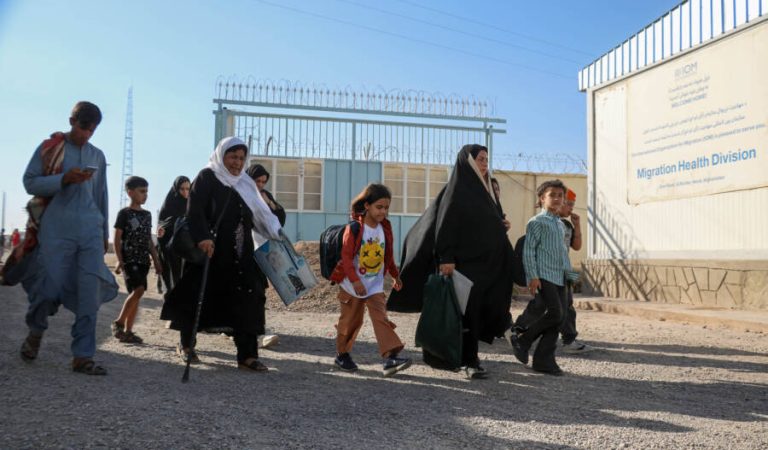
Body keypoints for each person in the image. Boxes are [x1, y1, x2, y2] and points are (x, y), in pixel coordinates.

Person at [388, 144, 514, 380]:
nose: (485, 164)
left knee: (481, 312)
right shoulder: (458, 190)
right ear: (467, 162)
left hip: (487, 265)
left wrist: (501, 225)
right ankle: (469, 361)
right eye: (480, 159)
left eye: (487, 159)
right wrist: (446, 257)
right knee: (467, 315)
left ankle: (471, 356)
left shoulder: (485, 190)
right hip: (464, 265)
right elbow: (446, 224)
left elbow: (488, 221)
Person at [160, 136, 281, 372]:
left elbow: (262, 217)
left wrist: (275, 222)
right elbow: (194, 209)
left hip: (241, 253)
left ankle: (246, 355)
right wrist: (203, 236)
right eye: (232, 157)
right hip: (211, 251)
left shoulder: (246, 184)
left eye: (241, 158)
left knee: (249, 297)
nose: (237, 162)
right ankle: (186, 345)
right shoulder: (207, 176)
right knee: (198, 296)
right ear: (221, 155)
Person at [19, 101, 118, 375]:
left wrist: (103, 233)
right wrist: (63, 179)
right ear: (72, 121)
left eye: (92, 129)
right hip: (56, 230)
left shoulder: (97, 156)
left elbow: (102, 196)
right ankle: (35, 332)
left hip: (89, 231)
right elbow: (30, 182)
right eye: (83, 127)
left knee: (89, 293)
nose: (86, 134)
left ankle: (82, 356)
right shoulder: (51, 149)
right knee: (48, 288)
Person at [328, 183, 411, 376]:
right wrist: (355, 281)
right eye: (379, 207)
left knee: (381, 319)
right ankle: (342, 354)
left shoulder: (385, 228)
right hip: (351, 286)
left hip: (374, 286)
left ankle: (390, 358)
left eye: (386, 208)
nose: (383, 211)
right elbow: (347, 258)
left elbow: (387, 255)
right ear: (367, 206)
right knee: (351, 322)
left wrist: (395, 274)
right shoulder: (355, 228)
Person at [509, 179, 578, 376]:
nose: (557, 199)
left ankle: (544, 361)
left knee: (560, 318)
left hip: (561, 277)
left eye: (560, 196)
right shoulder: (536, 222)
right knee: (556, 313)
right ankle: (523, 339)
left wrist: (571, 277)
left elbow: (564, 253)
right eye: (552, 195)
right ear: (542, 198)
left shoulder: (560, 224)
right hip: (544, 276)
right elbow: (529, 251)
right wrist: (533, 276)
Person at [514, 188, 592, 353]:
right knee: (541, 305)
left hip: (564, 271)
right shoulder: (542, 223)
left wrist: (577, 225)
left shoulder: (567, 226)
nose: (570, 208)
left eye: (572, 205)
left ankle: (569, 339)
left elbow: (576, 247)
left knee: (566, 305)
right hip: (545, 272)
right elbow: (530, 251)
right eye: (568, 204)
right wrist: (533, 275)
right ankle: (519, 330)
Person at [112, 176, 162, 344]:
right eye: (142, 191)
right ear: (130, 192)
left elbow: (148, 239)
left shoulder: (147, 215)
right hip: (129, 259)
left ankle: (128, 332)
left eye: (146, 191)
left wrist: (155, 260)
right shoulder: (124, 214)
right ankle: (118, 323)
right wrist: (120, 260)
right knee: (139, 290)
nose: (145, 195)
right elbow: (117, 239)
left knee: (136, 295)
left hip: (143, 261)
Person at [246, 163, 285, 350]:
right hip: (244, 248)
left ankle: (258, 328)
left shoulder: (265, 195)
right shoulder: (241, 193)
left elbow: (280, 218)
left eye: (263, 181)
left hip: (262, 249)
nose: (260, 185)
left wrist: (268, 203)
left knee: (259, 288)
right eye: (257, 181)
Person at [156, 175, 191, 291]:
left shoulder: (192, 205)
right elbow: (162, 224)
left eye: (188, 189)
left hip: (188, 250)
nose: (185, 192)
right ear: (176, 189)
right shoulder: (169, 205)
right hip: (171, 250)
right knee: (172, 282)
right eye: (182, 189)